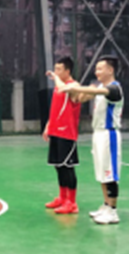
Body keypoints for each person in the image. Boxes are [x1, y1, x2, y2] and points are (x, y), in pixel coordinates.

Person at [50, 56, 124, 225]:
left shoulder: (114, 89)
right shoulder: (101, 87)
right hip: (98, 134)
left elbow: (95, 92)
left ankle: (113, 211)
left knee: (110, 174)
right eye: (96, 69)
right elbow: (86, 95)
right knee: (101, 172)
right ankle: (106, 205)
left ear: (110, 70)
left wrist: (73, 87)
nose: (97, 72)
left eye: (100, 69)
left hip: (109, 135)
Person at [42, 57, 83, 214]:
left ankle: (72, 203)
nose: (56, 72)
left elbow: (63, 88)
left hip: (67, 133)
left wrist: (56, 78)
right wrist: (48, 126)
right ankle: (62, 197)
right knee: (58, 166)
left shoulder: (74, 86)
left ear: (68, 71)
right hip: (55, 131)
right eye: (55, 69)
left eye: (59, 69)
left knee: (67, 168)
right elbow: (55, 108)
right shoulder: (58, 87)